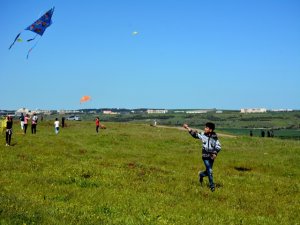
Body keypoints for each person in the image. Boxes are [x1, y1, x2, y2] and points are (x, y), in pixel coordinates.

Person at [183, 122, 221, 192]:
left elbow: (218, 146)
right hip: (205, 156)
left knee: (208, 172)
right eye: (205, 127)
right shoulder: (203, 134)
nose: (204, 128)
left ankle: (201, 174)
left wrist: (215, 153)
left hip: (212, 157)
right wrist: (187, 128)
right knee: (210, 170)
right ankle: (212, 186)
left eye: (206, 127)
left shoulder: (215, 137)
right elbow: (194, 134)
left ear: (210, 130)